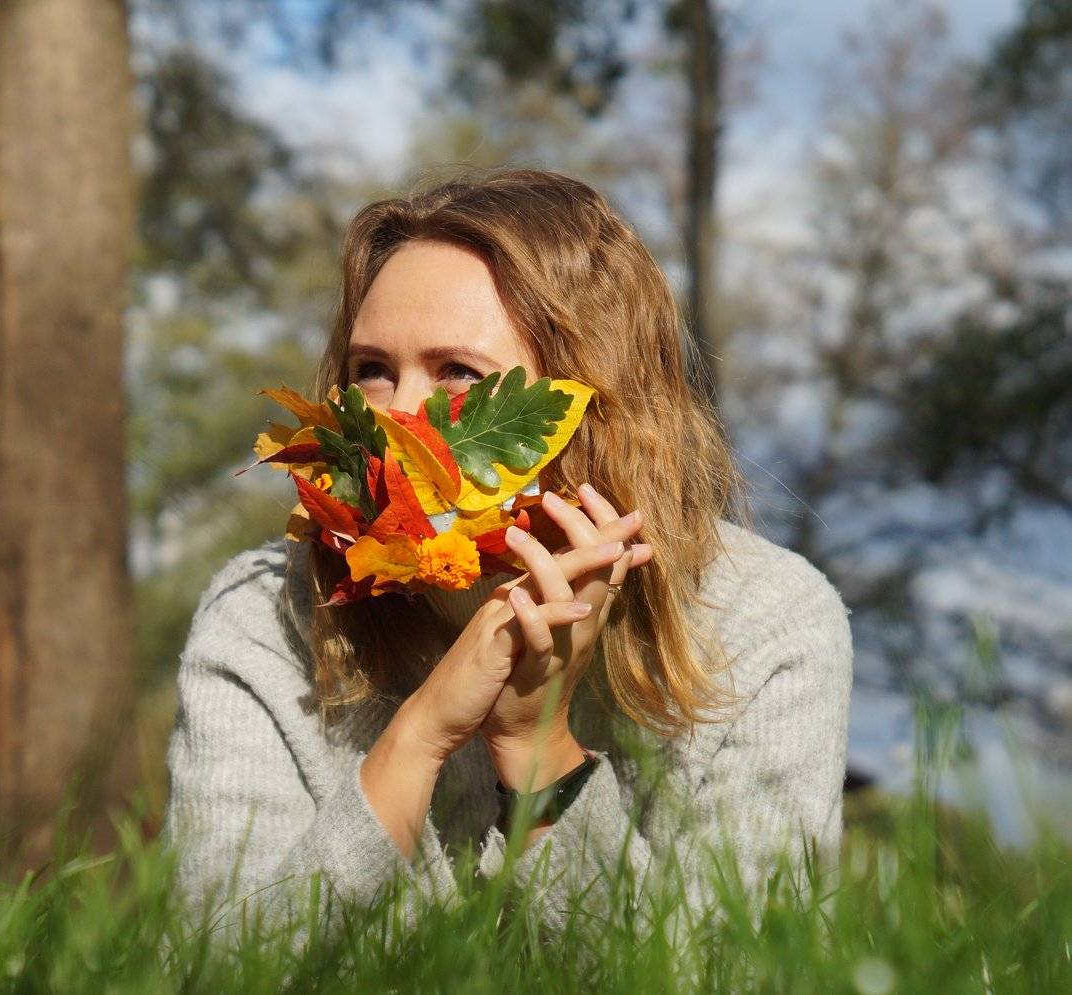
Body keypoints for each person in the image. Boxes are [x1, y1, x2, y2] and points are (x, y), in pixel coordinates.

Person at [159, 168, 854, 952]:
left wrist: (537, 746)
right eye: (373, 370)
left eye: (458, 372)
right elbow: (212, 962)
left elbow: (742, 968)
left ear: (594, 407)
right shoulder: (268, 615)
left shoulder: (763, 621)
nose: (395, 417)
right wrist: (418, 738)